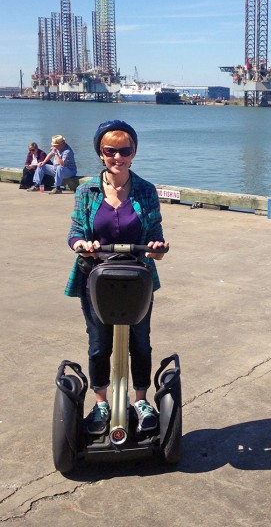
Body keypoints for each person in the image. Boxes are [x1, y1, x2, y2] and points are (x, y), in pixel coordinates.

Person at [64, 120, 169, 436]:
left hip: (137, 279)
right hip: (95, 278)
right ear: (100, 152)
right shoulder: (87, 190)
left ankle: (140, 400)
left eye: (125, 151)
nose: (118, 157)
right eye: (111, 151)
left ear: (134, 152)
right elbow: (76, 232)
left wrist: (157, 248)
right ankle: (100, 403)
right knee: (99, 344)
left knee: (141, 342)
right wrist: (82, 246)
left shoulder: (145, 190)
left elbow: (155, 235)